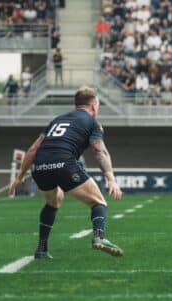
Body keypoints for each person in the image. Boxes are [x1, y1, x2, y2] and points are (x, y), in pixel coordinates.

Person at [8, 86, 123, 259]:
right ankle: (99, 237)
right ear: (93, 105)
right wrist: (111, 178)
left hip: (40, 166)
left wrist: (20, 177)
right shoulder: (93, 123)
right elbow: (100, 151)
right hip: (64, 163)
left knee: (54, 202)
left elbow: (33, 149)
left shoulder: (57, 120)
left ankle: (41, 249)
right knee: (98, 202)